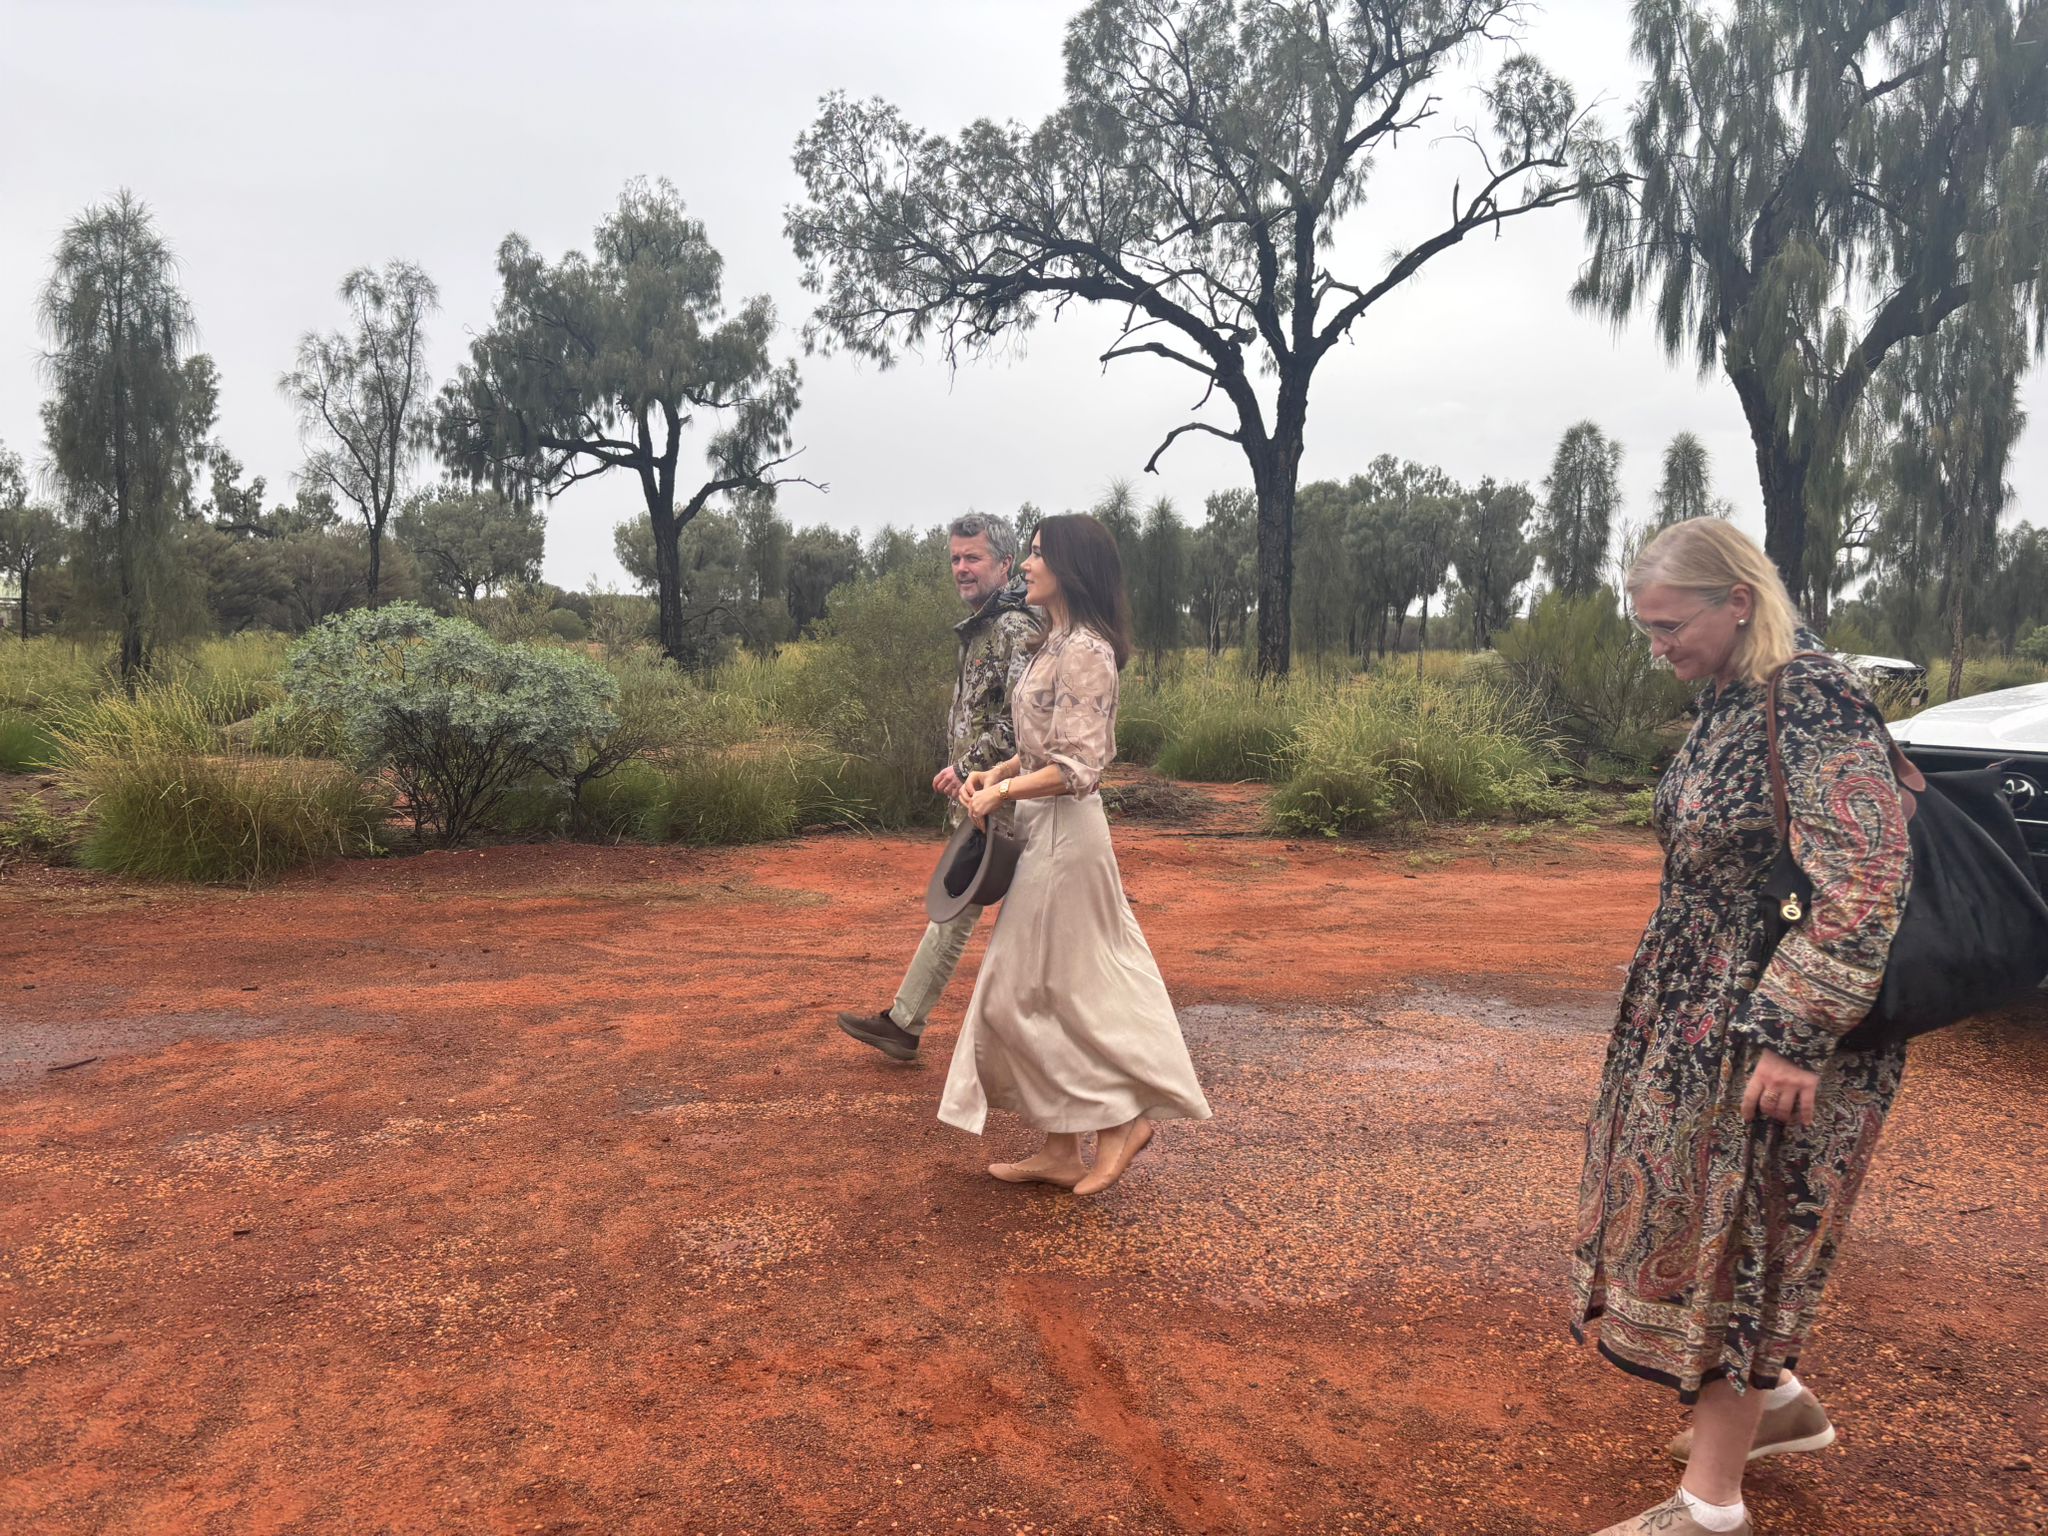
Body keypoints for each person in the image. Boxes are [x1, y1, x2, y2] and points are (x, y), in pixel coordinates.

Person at [1572, 518, 1911, 1536]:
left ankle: (1707, 1506)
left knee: (1741, 1236)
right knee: (1717, 1220)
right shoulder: (1731, 697)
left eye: (1667, 625)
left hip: (1769, 1027)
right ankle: (1779, 1408)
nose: (1655, 647)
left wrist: (1792, 1034)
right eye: (1643, 631)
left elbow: (1865, 875)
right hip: (1702, 1011)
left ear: (1737, 602)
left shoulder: (1809, 698)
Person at [937, 514, 1210, 1196]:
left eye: (1036, 554)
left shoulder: (1087, 650)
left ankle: (1124, 1118)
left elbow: (1078, 766)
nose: (1025, 565)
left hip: (1067, 836)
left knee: (1043, 989)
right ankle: (1061, 1147)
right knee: (1039, 990)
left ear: (1071, 568)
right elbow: (1036, 753)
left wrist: (1005, 793)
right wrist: (993, 777)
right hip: (1040, 827)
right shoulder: (1049, 644)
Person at [837, 513, 1040, 1062]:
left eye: (972, 558)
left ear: (1003, 562)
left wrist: (970, 764)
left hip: (1010, 802)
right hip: (983, 799)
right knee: (961, 907)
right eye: (955, 558)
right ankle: (906, 1023)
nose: (961, 568)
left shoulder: (1015, 628)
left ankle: (1031, 1044)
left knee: (1009, 916)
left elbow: (1029, 723)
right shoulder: (983, 626)